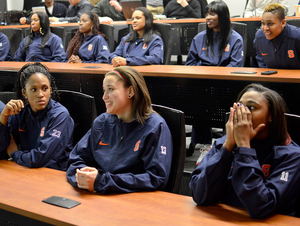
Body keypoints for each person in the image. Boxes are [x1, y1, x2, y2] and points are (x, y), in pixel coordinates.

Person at [190, 83, 300, 219]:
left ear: (271, 116)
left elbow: (260, 206)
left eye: (252, 107)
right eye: (239, 106)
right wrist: (227, 148)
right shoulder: (224, 143)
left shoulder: (292, 156)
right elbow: (200, 195)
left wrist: (244, 147)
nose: (242, 113)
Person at [67, 66, 173, 193]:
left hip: (133, 201)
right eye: (104, 90)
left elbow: (156, 178)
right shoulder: (102, 122)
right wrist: (83, 177)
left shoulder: (155, 127)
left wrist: (103, 181)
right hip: (97, 194)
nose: (104, 97)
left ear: (130, 92)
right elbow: (76, 158)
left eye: (110, 89)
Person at [185, 0, 244, 159]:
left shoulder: (235, 39)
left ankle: (226, 146)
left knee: (225, 105)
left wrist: (211, 71)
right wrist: (204, 72)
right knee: (196, 100)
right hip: (202, 84)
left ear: (223, 16)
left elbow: (235, 66)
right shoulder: (199, 38)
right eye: (207, 14)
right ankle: (204, 146)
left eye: (212, 14)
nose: (208, 18)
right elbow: (190, 62)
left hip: (225, 85)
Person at [0, 63, 74, 171]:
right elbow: (2, 148)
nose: (40, 94)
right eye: (34, 89)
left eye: (45, 88)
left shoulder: (60, 115)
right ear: (24, 92)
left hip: (54, 173)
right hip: (28, 169)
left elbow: (40, 158)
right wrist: (4, 117)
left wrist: (15, 154)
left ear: (50, 90)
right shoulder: (21, 111)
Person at [254, 3, 300, 69]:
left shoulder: (297, 37)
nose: (266, 28)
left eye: (270, 24)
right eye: (263, 23)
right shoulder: (260, 37)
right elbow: (260, 59)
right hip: (272, 78)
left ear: (283, 23)